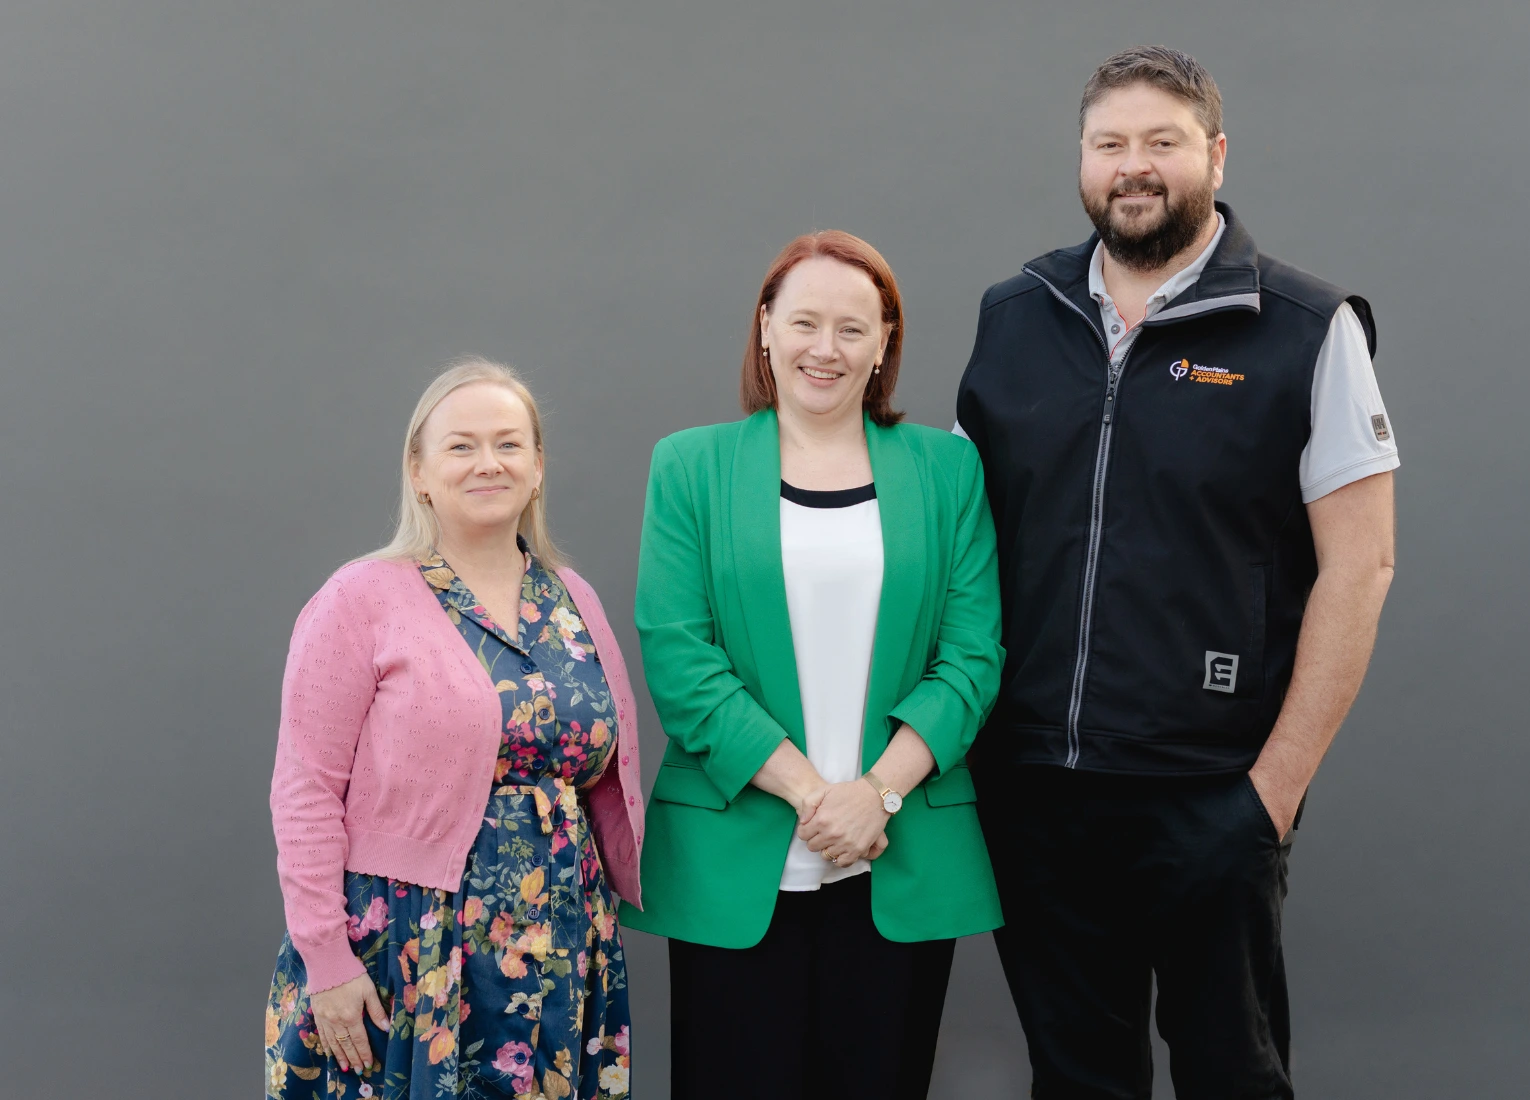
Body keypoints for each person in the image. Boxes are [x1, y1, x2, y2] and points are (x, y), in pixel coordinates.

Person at [954, 46, 1400, 1099]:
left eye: (1161, 141)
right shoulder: (1014, 316)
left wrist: (1269, 793)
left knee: (1230, 1076)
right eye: (1109, 143)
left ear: (1214, 154)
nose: (1132, 165)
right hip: (1037, 792)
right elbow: (967, 546)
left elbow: (1362, 563)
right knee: (1074, 1079)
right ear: (1081, 159)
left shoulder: (1303, 328)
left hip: (1211, 793)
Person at [620, 230, 1004, 1099]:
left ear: (884, 346)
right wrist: (812, 797)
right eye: (803, 322)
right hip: (737, 859)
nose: (824, 349)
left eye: (852, 329)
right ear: (764, 329)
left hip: (896, 854)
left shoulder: (948, 471)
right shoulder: (691, 466)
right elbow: (682, 661)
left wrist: (876, 795)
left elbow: (972, 657)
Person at [264, 358, 644, 1099]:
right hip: (409, 944)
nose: (488, 463)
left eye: (508, 444)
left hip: (561, 938)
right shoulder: (361, 598)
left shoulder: (573, 599)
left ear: (537, 468)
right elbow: (305, 789)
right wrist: (326, 957)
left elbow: (600, 770)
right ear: (420, 471)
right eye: (461, 446)